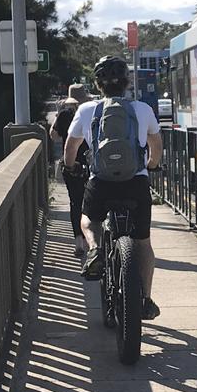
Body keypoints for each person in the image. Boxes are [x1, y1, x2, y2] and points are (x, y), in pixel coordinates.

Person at [63, 56, 163, 320]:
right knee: (143, 243)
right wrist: (152, 165)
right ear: (127, 83)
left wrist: (70, 167)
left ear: (98, 85)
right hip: (136, 182)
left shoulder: (86, 111)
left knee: (88, 221)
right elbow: (156, 145)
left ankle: (95, 248)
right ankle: (146, 300)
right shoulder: (142, 109)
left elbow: (70, 148)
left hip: (102, 181)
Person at [50, 84, 91, 256]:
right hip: (91, 163)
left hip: (71, 164)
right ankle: (94, 240)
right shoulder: (90, 112)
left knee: (75, 203)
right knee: (92, 202)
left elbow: (53, 135)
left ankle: (79, 244)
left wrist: (58, 114)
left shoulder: (66, 115)